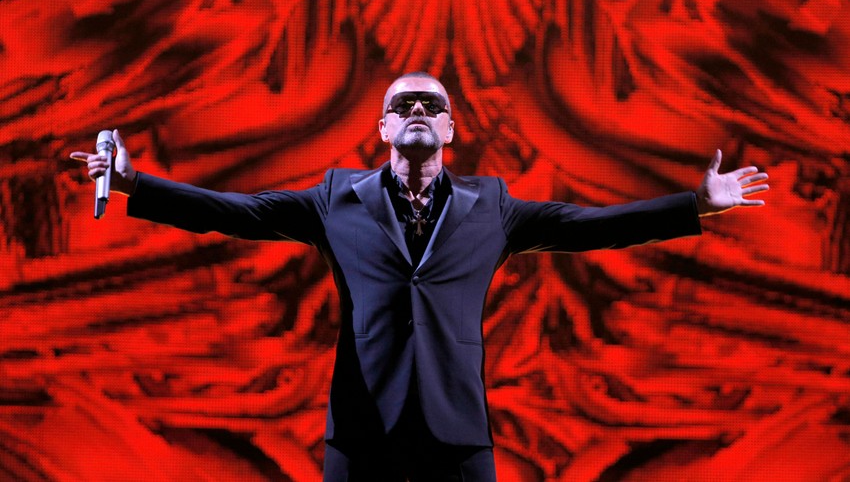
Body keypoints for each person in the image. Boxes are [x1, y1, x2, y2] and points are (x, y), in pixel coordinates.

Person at [71, 72, 768, 481]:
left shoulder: (492, 206)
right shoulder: (334, 198)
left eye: (431, 105)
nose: (417, 111)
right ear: (382, 128)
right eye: (403, 104)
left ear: (452, 130)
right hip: (361, 428)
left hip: (455, 427)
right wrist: (135, 185)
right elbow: (241, 214)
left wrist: (695, 205)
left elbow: (585, 227)